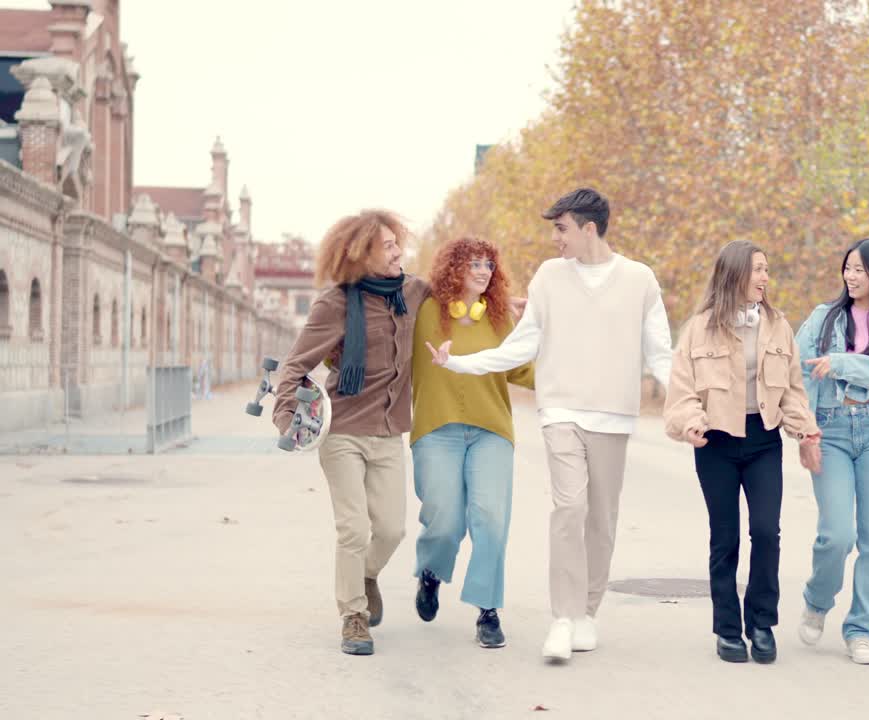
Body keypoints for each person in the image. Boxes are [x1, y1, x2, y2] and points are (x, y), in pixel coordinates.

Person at [425, 188, 672, 662]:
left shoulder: (640, 280)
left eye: (561, 229)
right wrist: (461, 365)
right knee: (569, 508)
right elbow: (522, 345)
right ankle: (562, 618)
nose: (555, 239)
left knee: (601, 519)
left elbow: (660, 353)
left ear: (588, 228)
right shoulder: (549, 278)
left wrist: (689, 402)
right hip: (560, 412)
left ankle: (586, 614)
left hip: (613, 416)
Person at [272, 209, 431, 656]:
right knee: (354, 529)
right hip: (342, 431)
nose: (399, 250)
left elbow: (460, 295)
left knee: (392, 530)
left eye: (398, 241)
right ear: (362, 255)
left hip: (388, 432)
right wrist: (287, 420)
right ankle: (353, 616)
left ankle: (364, 576)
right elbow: (294, 365)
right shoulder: (335, 304)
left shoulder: (413, 293)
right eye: (387, 245)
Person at [664, 240, 822, 664]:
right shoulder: (699, 328)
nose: (765, 278)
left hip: (763, 440)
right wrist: (691, 422)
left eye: (767, 270)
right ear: (734, 274)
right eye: (757, 270)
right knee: (726, 537)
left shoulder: (778, 326)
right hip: (715, 441)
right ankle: (728, 629)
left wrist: (805, 432)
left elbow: (791, 390)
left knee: (767, 532)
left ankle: (762, 623)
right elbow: (681, 390)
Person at [793, 237, 869, 665]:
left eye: (860, 270)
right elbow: (803, 376)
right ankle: (817, 598)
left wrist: (844, 364)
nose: (850, 276)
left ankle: (861, 629)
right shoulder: (822, 320)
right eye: (847, 268)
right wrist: (806, 434)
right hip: (830, 428)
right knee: (836, 535)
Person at [409, 237, 534, 649]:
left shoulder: (500, 319)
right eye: (474, 263)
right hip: (436, 429)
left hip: (491, 431)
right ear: (453, 269)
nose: (483, 271)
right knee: (444, 522)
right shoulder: (426, 312)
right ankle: (431, 572)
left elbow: (521, 370)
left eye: (488, 265)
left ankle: (488, 610)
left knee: (491, 519)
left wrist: (568, 377)